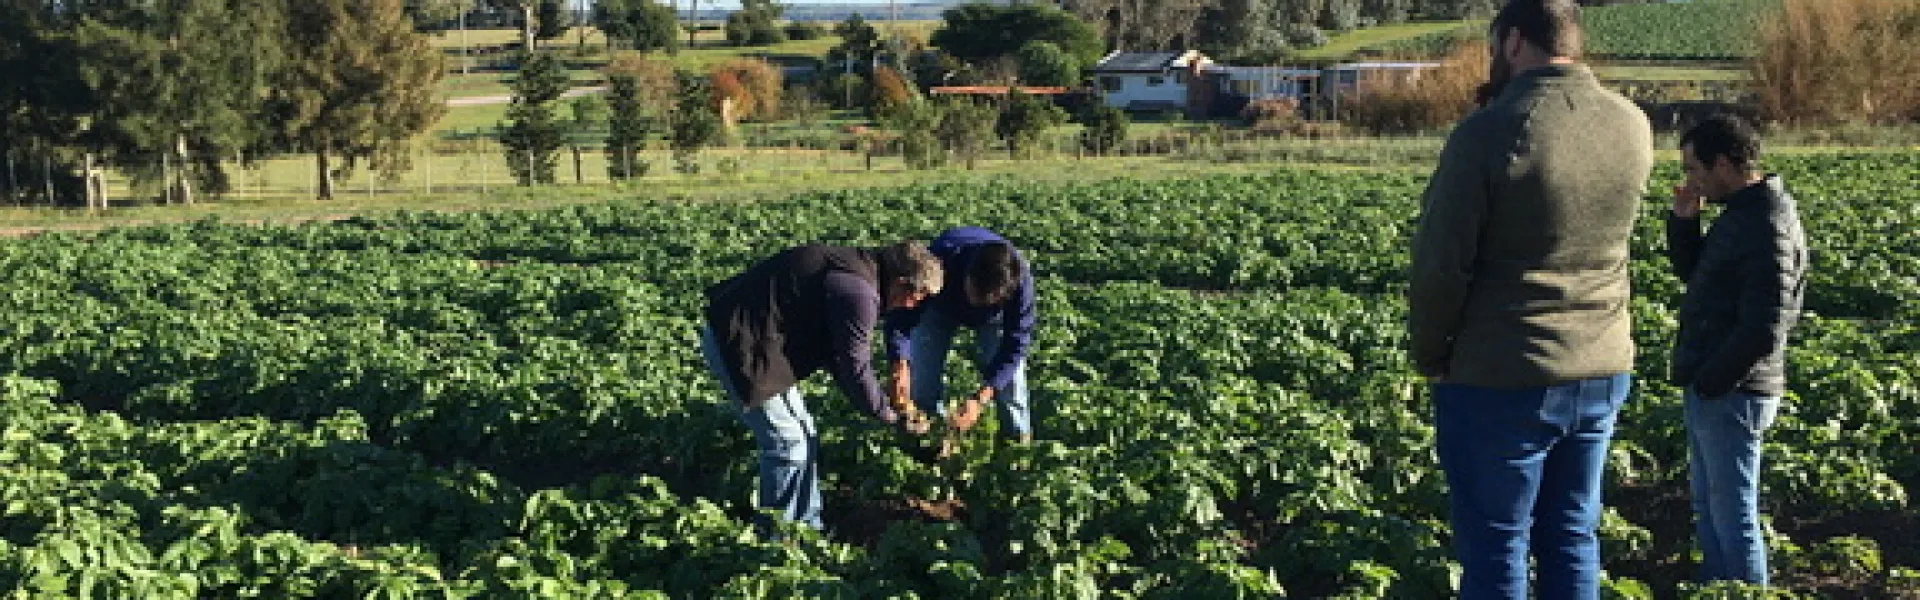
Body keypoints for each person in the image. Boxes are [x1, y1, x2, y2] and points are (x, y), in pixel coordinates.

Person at [1406, 1, 1653, 597]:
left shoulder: (1490, 132)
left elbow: (1442, 262)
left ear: (1514, 42)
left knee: (1496, 544)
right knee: (1573, 535)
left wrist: (1430, 352)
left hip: (1503, 371)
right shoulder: (1632, 122)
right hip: (1601, 362)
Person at [700, 242, 942, 535]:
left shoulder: (860, 271)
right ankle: (777, 539)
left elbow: (840, 360)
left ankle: (807, 528)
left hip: (761, 344)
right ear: (901, 283)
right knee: (786, 445)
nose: (912, 306)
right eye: (916, 297)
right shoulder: (859, 293)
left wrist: (883, 408)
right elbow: (854, 366)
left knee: (805, 435)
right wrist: (887, 415)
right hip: (741, 347)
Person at [1667, 114, 1808, 586]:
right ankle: (1716, 591)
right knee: (1711, 511)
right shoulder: (1743, 213)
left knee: (1735, 520)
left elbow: (1765, 326)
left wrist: (1710, 383)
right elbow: (1702, 281)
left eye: (1695, 170)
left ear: (1724, 164)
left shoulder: (1765, 223)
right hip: (1720, 387)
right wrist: (1684, 223)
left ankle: (1743, 593)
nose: (1692, 181)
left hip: (1734, 392)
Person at [884, 227, 1037, 443]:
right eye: (973, 292)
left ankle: (1017, 445)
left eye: (985, 300)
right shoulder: (940, 262)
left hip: (993, 320)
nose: (975, 302)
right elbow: (900, 317)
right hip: (939, 307)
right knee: (923, 380)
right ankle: (928, 441)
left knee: (1011, 386)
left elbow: (1015, 345)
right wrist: (899, 364)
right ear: (967, 274)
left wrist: (981, 398)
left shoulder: (1019, 284)